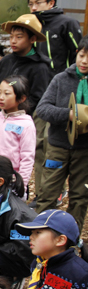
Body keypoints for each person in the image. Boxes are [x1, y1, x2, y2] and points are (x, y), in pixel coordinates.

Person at [0, 14, 54, 206]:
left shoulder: (40, 67)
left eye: (19, 37)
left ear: (32, 39)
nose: (13, 41)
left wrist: (13, 109)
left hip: (24, 118)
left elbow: (38, 98)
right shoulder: (6, 61)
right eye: (11, 36)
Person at [35, 35, 88, 233]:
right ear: (76, 54)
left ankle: (71, 239)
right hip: (58, 146)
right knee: (48, 193)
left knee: (80, 196)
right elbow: (43, 109)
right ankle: (40, 233)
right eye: (82, 55)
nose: (84, 61)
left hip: (84, 150)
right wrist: (69, 114)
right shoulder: (61, 79)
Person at [29, 0, 83, 75]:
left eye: (38, 3)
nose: (33, 7)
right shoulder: (32, 24)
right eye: (30, 4)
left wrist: (71, 77)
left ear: (51, 3)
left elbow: (79, 52)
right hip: (38, 78)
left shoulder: (67, 23)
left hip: (61, 79)